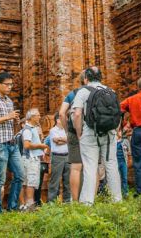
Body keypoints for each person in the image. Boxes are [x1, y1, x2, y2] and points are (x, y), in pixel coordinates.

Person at [71, 66, 123, 205]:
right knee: (111, 164)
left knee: (90, 166)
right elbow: (118, 113)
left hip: (90, 132)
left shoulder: (83, 91)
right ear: (101, 77)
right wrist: (116, 131)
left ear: (86, 78)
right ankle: (116, 200)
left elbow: (77, 114)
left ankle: (87, 202)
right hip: (109, 133)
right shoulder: (110, 91)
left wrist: (79, 132)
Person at [0, 71, 24, 213]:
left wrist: (16, 121)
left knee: (20, 176)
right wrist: (8, 117)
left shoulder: (9, 101)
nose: (10, 87)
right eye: (7, 84)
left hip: (12, 143)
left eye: (11, 85)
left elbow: (9, 121)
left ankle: (12, 208)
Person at [58, 71, 87, 202]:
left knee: (75, 167)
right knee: (93, 167)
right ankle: (90, 199)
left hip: (73, 132)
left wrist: (66, 130)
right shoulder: (94, 92)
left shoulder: (72, 94)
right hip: (90, 132)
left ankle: (75, 201)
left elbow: (61, 113)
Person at [21, 108, 48, 209]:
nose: (40, 117)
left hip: (32, 158)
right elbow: (27, 145)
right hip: (30, 159)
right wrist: (41, 146)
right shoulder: (27, 129)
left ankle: (27, 205)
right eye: (38, 115)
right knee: (30, 182)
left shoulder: (33, 128)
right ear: (32, 117)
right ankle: (29, 205)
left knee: (29, 182)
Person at [47, 113, 71, 202]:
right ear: (58, 120)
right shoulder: (53, 130)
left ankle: (67, 202)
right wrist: (66, 140)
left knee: (67, 182)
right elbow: (56, 141)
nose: (66, 120)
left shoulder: (67, 130)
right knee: (55, 181)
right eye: (64, 119)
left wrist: (63, 139)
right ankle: (51, 203)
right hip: (57, 157)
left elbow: (71, 139)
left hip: (68, 157)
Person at [117, 124, 131, 197]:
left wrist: (129, 162)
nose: (119, 133)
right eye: (118, 131)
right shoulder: (113, 142)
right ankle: (118, 193)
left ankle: (125, 193)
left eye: (120, 131)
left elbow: (129, 153)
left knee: (124, 178)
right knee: (117, 178)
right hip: (116, 163)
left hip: (123, 162)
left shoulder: (125, 141)